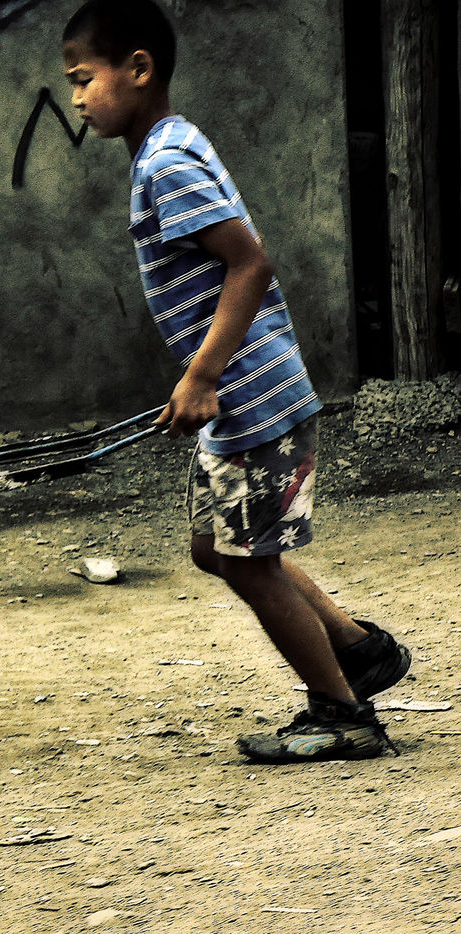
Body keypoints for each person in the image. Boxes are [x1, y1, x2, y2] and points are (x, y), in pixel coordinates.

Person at [61, 0, 410, 762]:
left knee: (249, 564)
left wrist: (202, 374)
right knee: (214, 548)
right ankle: (356, 649)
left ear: (139, 69)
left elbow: (250, 264)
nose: (77, 98)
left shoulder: (165, 165)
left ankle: (343, 714)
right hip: (242, 396)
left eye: (84, 79)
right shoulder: (168, 146)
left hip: (248, 396)